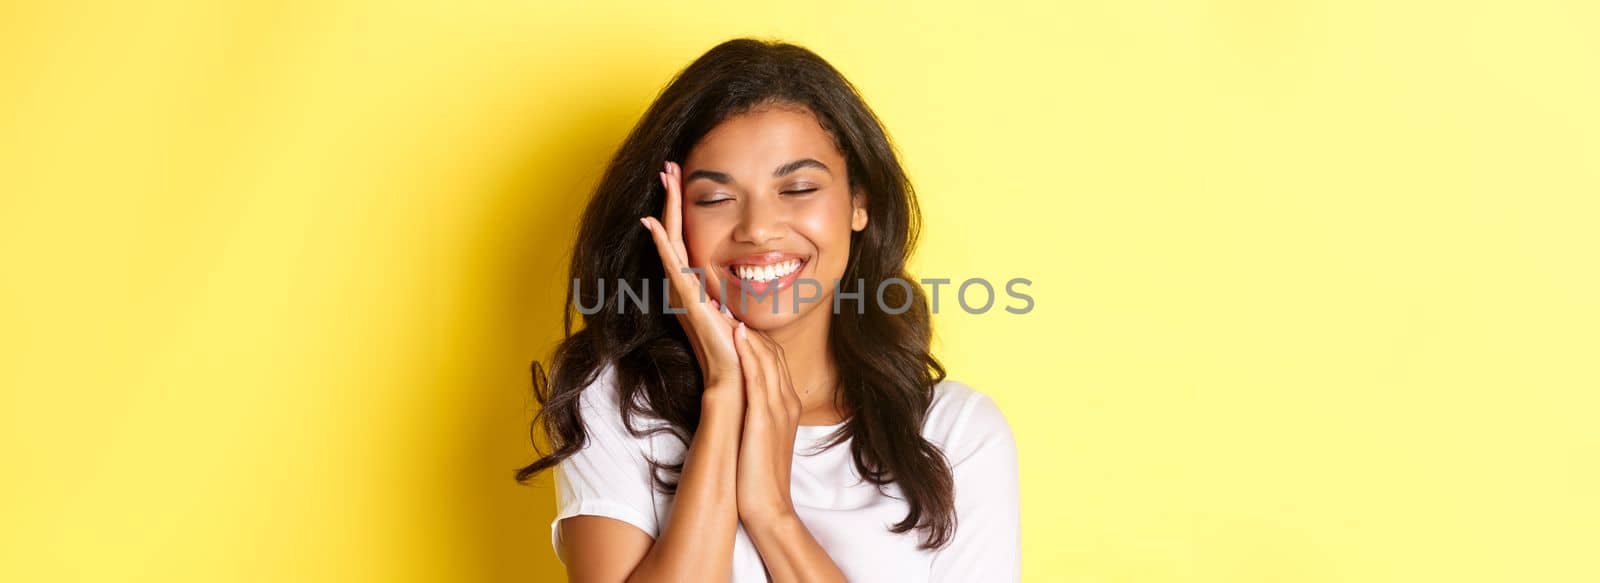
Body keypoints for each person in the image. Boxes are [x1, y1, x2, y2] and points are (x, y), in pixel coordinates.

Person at [515, 37, 1020, 583]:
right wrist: (724, 401)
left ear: (859, 203)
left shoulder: (955, 434)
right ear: (671, 217)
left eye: (798, 188)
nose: (757, 229)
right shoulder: (618, 402)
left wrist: (771, 512)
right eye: (715, 198)